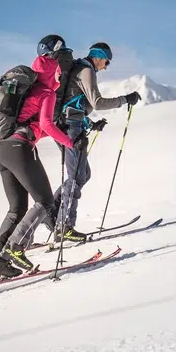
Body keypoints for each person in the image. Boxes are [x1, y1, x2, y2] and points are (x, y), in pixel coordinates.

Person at [0, 34, 78, 279]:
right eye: (59, 70)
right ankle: (16, 248)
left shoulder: (30, 87)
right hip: (20, 149)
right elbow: (47, 125)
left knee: (16, 209)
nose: (61, 74)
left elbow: (36, 127)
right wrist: (71, 142)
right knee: (46, 201)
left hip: (3, 149)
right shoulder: (46, 91)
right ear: (54, 69)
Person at [51, 42, 141, 242]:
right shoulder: (86, 70)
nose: (107, 66)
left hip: (69, 125)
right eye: (107, 61)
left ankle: (53, 214)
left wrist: (90, 123)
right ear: (99, 56)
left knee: (83, 174)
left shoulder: (80, 69)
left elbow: (73, 103)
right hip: (70, 128)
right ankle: (63, 225)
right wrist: (126, 99)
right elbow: (97, 102)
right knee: (76, 176)